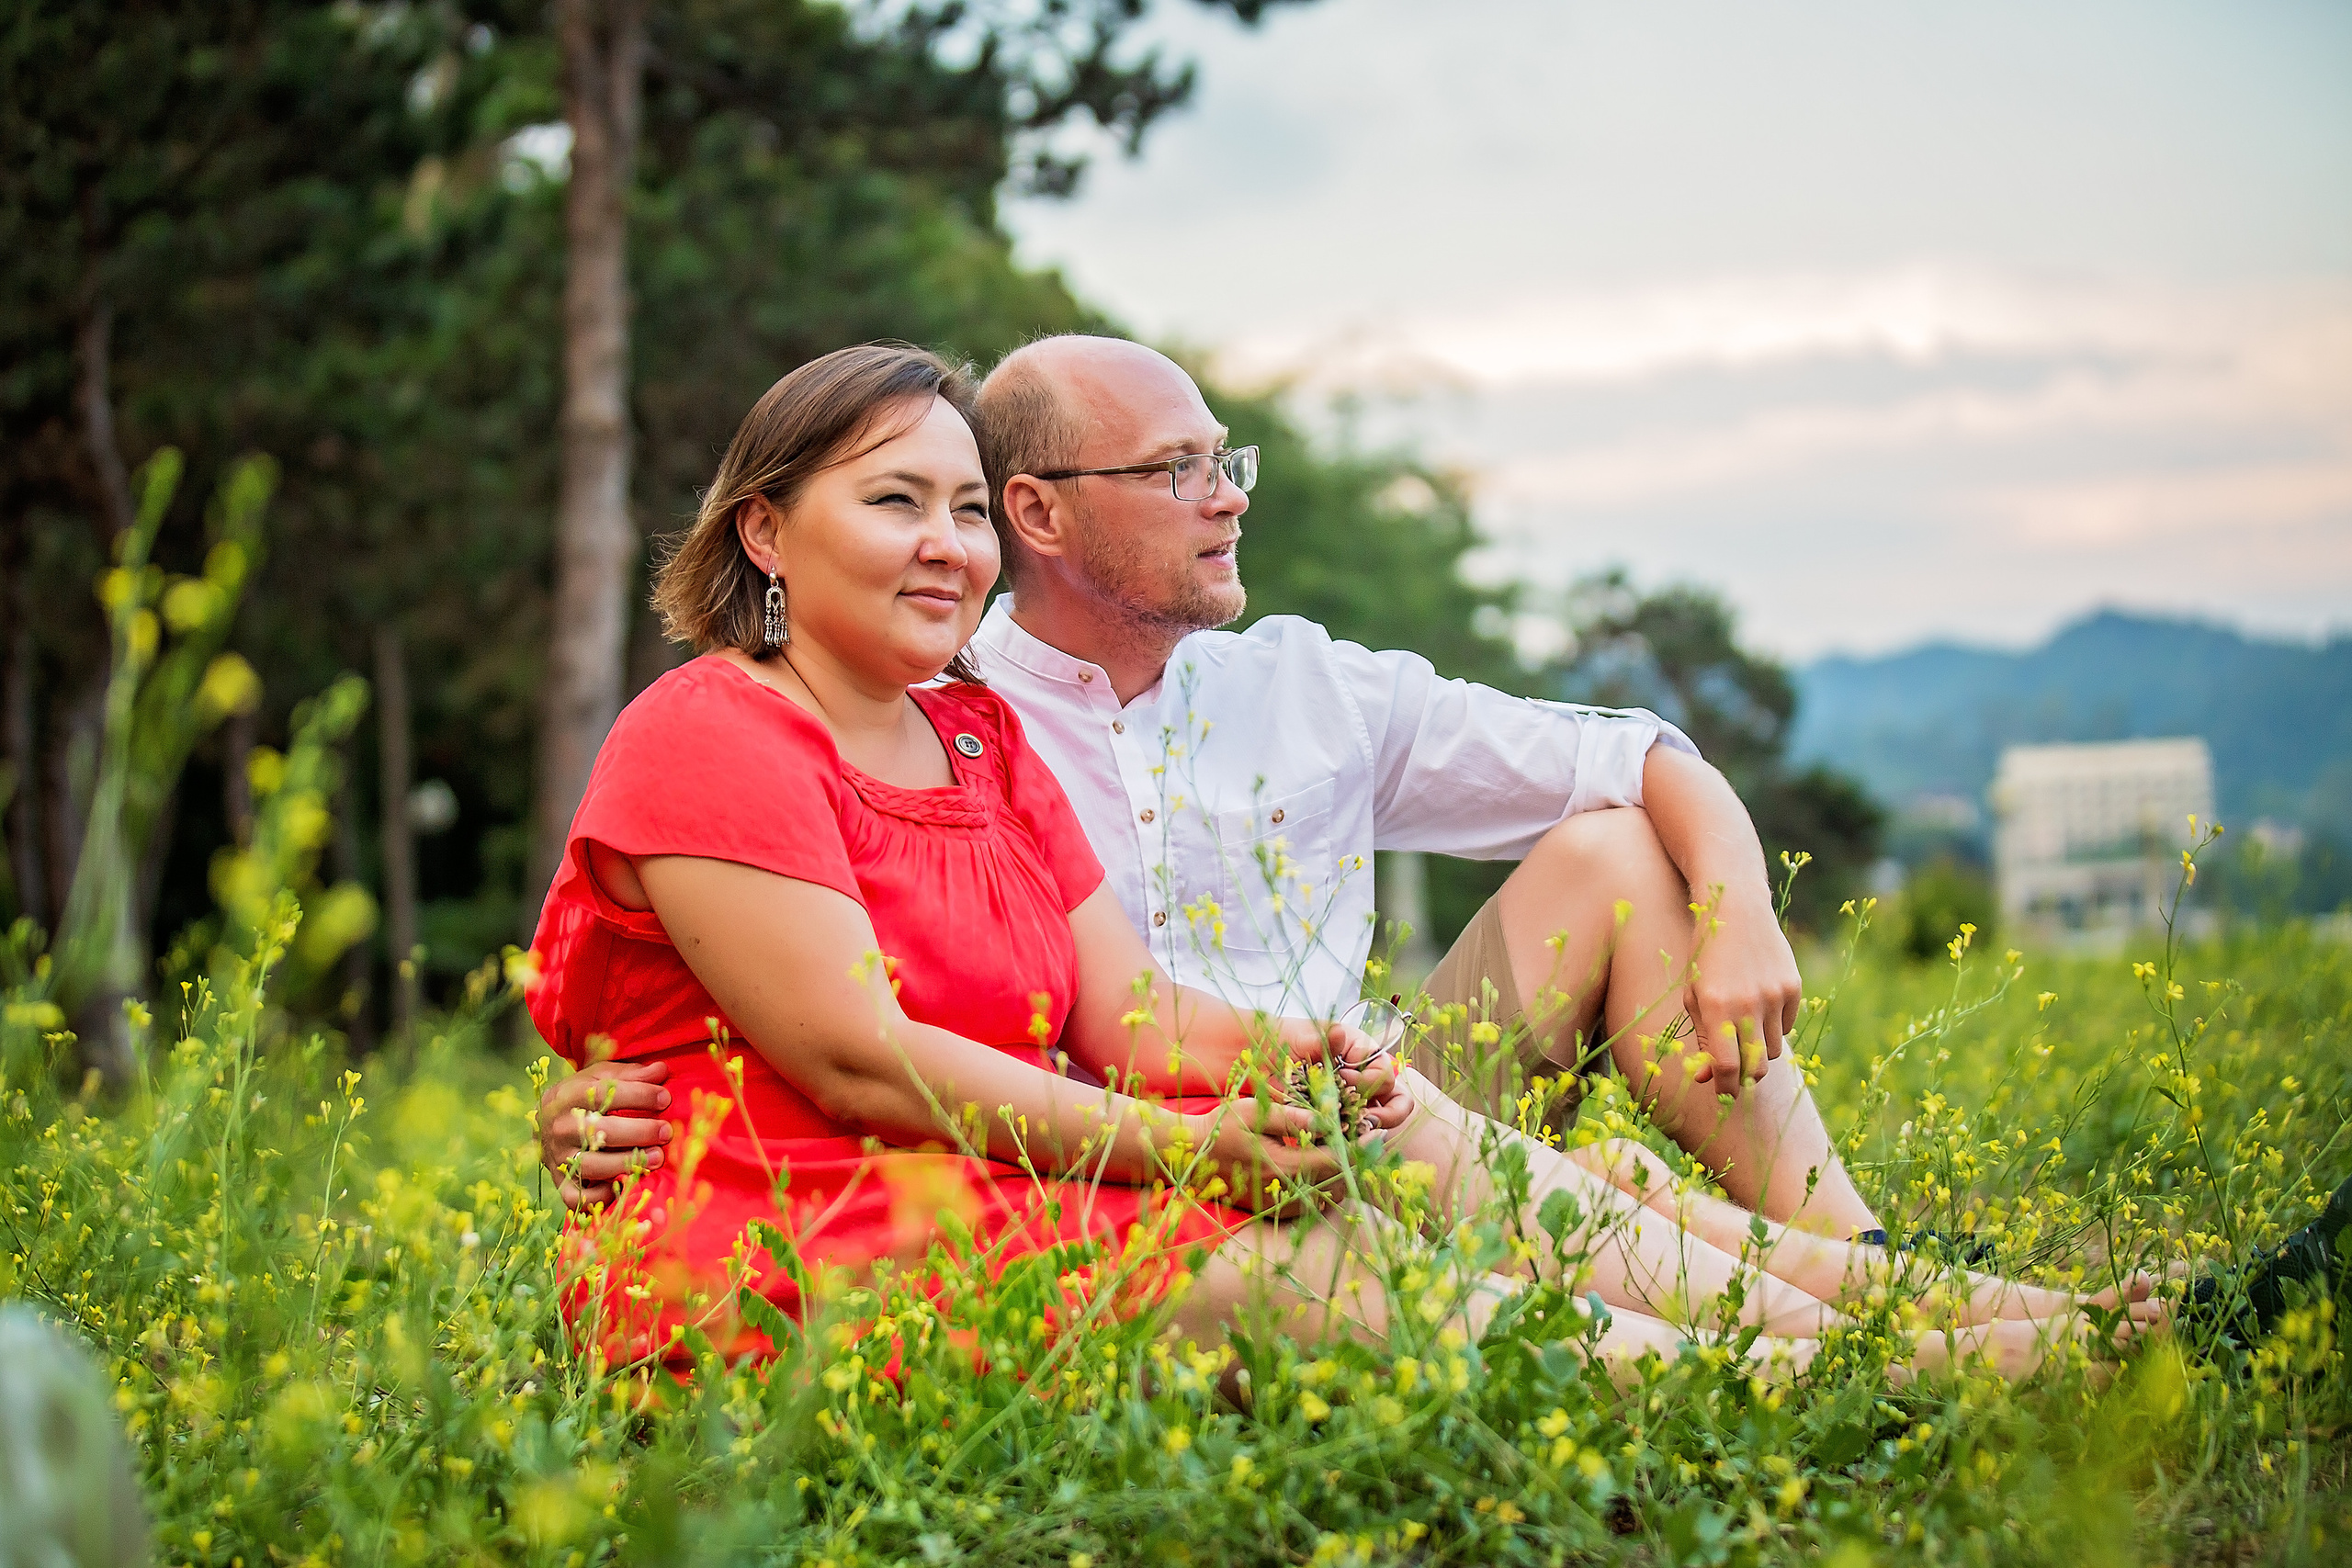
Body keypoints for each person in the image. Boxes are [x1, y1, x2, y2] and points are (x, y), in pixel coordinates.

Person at [526, 342, 2151, 1381]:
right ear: (765, 531)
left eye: (958, 510)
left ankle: (1935, 1311)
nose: (950, 547)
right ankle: (1956, 1367)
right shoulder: (756, 724)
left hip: (1104, 1149)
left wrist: (1295, 1066)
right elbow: (845, 1050)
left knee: (1432, 1120)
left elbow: (1123, 1008)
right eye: (901, 504)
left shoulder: (984, 737)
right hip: (897, 1204)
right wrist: (1193, 1147)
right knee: (1372, 1260)